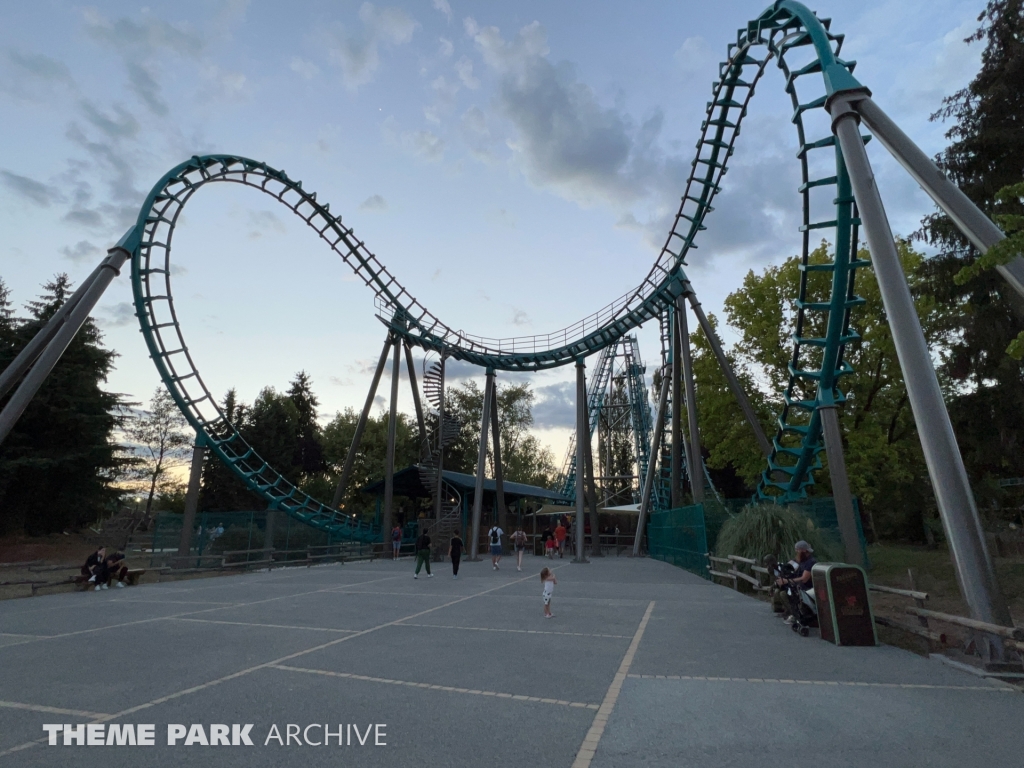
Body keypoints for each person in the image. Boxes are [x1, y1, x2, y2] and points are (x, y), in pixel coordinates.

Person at [775, 540, 817, 624]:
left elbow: (804, 579)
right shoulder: (799, 560)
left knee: (784, 594)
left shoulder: (810, 562)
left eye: (798, 550)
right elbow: (789, 567)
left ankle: (796, 615)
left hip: (806, 588)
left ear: (804, 550)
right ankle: (789, 611)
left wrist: (787, 581)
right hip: (797, 586)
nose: (796, 552)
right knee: (779, 591)